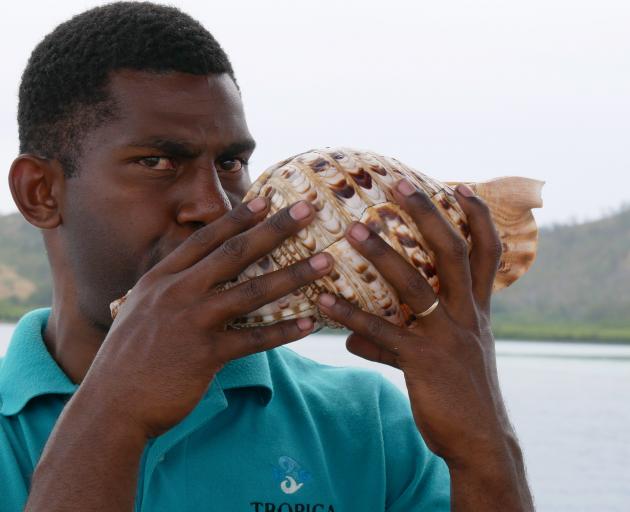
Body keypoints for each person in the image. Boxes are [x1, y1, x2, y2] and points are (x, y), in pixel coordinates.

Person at [0, 2, 533, 511]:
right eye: (157, 161)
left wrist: (485, 446)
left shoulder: (364, 421)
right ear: (40, 193)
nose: (214, 205)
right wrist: (112, 416)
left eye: (231, 163)